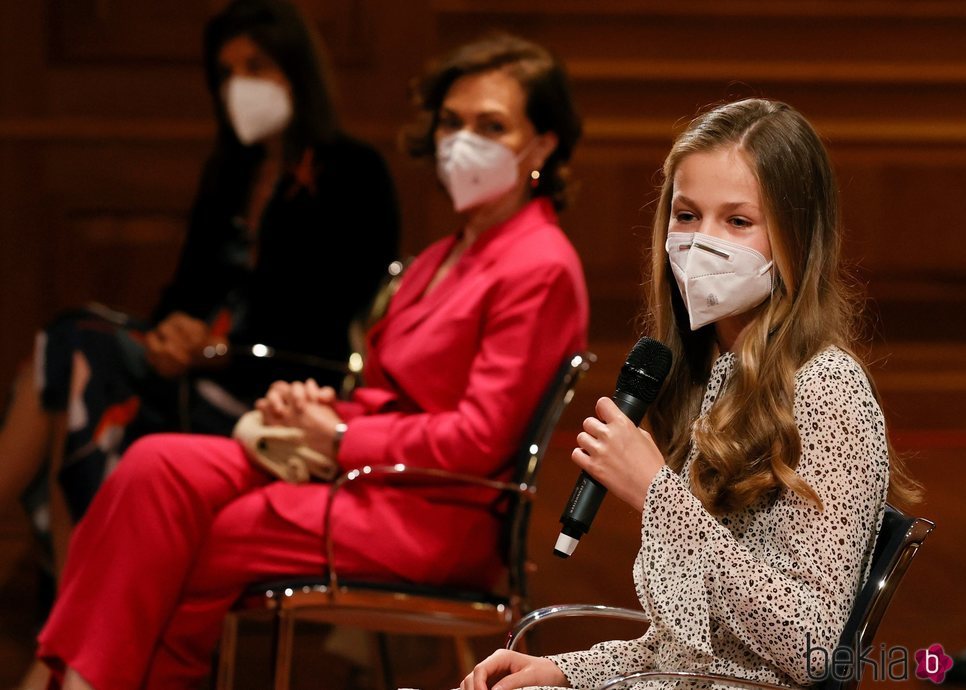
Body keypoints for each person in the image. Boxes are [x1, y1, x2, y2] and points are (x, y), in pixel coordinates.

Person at [32, 33, 589, 690]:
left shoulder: (540, 265)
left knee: (206, 539)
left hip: (436, 513)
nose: (462, 140)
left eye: (491, 125)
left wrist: (343, 435)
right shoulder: (445, 252)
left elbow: (479, 439)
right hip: (372, 477)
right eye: (451, 121)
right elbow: (390, 393)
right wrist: (315, 410)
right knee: (153, 465)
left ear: (544, 143)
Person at [461, 98, 922, 690]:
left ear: (796, 238)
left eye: (737, 221)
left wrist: (658, 495)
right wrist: (564, 670)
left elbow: (812, 647)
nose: (703, 243)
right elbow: (692, 646)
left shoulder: (827, 388)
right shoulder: (707, 375)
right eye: (686, 215)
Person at [0, 0, 399, 583]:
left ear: (296, 71)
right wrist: (169, 334)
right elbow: (185, 291)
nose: (241, 86)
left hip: (273, 384)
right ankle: (78, 606)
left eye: (256, 67)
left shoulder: (353, 172)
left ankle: (71, 610)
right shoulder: (230, 171)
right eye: (227, 73)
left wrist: (212, 348)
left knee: (73, 358)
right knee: (71, 345)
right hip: (194, 370)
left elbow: (327, 312)